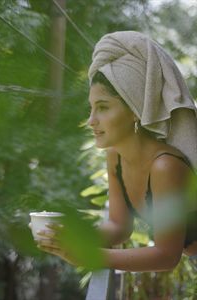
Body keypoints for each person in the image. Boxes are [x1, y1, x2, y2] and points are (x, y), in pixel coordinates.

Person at [35, 31, 197, 272]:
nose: (91, 120)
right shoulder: (116, 157)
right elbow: (119, 226)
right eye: (91, 108)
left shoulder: (165, 166)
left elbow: (166, 256)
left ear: (134, 109)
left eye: (103, 107)